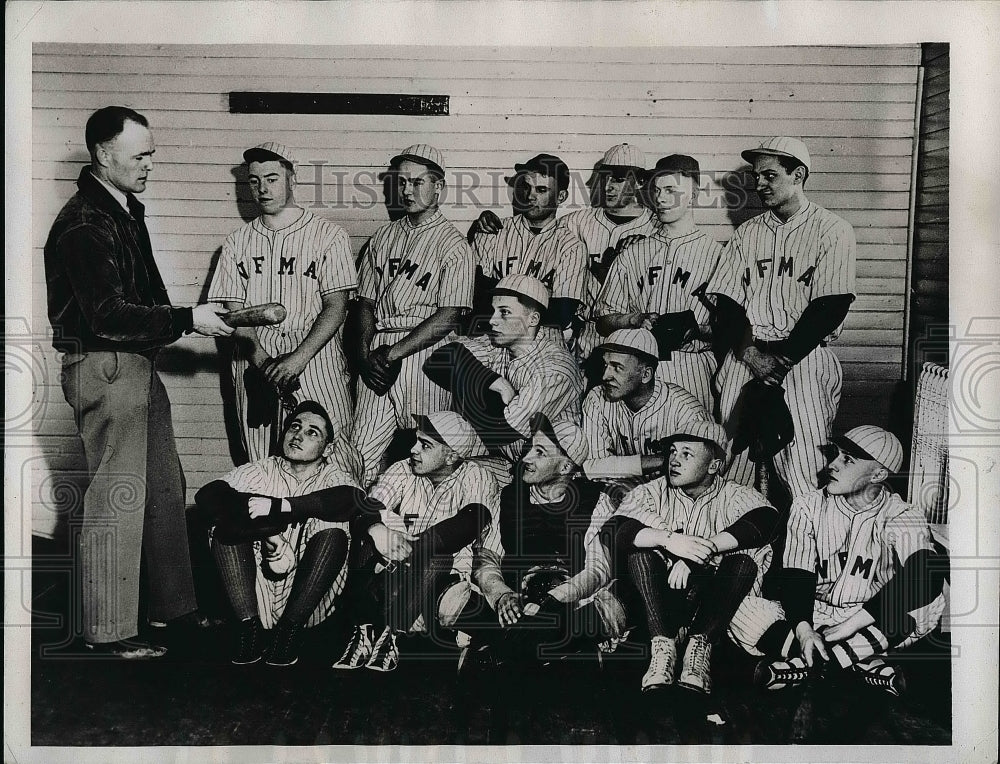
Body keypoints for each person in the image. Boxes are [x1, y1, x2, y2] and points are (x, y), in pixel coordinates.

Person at [43, 106, 234, 658]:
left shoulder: (123, 211)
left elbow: (147, 299)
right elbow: (106, 315)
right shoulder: (85, 223)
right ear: (104, 154)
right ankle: (108, 632)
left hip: (135, 365)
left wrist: (197, 316)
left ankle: (173, 610)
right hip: (105, 364)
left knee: (164, 487)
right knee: (118, 496)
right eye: (140, 155)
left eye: (151, 154)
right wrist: (188, 318)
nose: (150, 164)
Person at [745, 426, 948, 697]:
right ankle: (854, 662)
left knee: (928, 605)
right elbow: (796, 577)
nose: (833, 464)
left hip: (872, 617)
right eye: (836, 455)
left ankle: (804, 665)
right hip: (814, 613)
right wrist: (804, 631)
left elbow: (926, 572)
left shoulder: (901, 513)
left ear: (878, 475)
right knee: (743, 607)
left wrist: (849, 626)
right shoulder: (807, 506)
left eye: (848, 459)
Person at [707, 137, 857, 498]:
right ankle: (739, 533)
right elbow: (726, 303)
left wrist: (781, 362)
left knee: (806, 462)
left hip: (803, 359)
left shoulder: (832, 229)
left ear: (798, 175)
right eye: (757, 176)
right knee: (730, 460)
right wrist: (751, 355)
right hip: (748, 355)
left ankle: (807, 535)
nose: (760, 184)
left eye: (770, 176)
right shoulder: (747, 233)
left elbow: (831, 305)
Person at [208, 141, 358, 461]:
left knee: (333, 457)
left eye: (272, 178)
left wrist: (296, 361)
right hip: (255, 358)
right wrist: (265, 363)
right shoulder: (236, 243)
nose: (262, 189)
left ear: (293, 178)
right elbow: (236, 316)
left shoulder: (329, 235)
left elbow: (336, 307)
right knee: (262, 459)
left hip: (315, 357)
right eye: (254, 181)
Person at [193, 401, 370, 666]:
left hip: (309, 605)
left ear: (328, 449)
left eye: (312, 432)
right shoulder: (262, 469)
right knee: (222, 525)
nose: (298, 435)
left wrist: (280, 507)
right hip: (255, 596)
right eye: (294, 427)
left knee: (334, 528)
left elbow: (353, 499)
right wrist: (268, 531)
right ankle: (248, 632)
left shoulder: (335, 475)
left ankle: (289, 634)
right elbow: (208, 495)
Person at [609, 422, 779, 693]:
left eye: (687, 454)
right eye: (673, 451)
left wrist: (702, 550)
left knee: (743, 563)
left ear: (714, 466)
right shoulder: (654, 490)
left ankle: (698, 652)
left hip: (716, 611)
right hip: (661, 606)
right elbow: (615, 529)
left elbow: (767, 521)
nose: (674, 460)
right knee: (639, 554)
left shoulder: (735, 494)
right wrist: (669, 540)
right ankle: (663, 648)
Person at [350, 143, 476, 487]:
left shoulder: (455, 244)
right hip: (378, 352)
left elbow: (449, 316)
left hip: (427, 355)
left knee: (429, 454)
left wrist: (390, 354)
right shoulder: (382, 237)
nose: (407, 190)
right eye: (402, 182)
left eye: (417, 182)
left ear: (438, 187)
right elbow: (364, 304)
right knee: (359, 454)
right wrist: (364, 356)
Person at [333, 411, 498, 672]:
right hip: (396, 578)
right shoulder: (403, 468)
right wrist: (377, 529)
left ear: (451, 456)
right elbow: (366, 508)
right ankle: (367, 633)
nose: (413, 449)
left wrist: (409, 550)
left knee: (438, 555)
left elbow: (469, 523)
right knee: (372, 533)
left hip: (443, 586)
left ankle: (392, 633)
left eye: (425, 445)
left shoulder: (477, 475)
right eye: (416, 440)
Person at [462, 415, 626, 669]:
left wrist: (556, 598)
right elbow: (487, 560)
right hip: (515, 602)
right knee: (456, 598)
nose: (526, 458)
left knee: (608, 608)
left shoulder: (596, 500)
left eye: (540, 452)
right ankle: (551, 650)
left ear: (565, 467)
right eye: (529, 448)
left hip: (568, 603)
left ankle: (501, 651)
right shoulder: (508, 497)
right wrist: (501, 594)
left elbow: (597, 569)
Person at [423, 274, 584, 483]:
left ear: (533, 319)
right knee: (445, 473)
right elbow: (437, 361)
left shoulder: (556, 367)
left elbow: (502, 431)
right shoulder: (499, 344)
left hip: (553, 475)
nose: (492, 321)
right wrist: (496, 383)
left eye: (504, 312)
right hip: (510, 462)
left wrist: (470, 377)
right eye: (493, 311)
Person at [595, 154, 723, 411]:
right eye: (656, 190)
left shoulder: (718, 256)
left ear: (694, 195)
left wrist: (697, 329)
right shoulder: (633, 253)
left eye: (670, 191)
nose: (660, 198)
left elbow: (732, 329)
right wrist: (633, 319)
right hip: (636, 368)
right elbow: (603, 320)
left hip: (693, 367)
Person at [465, 153, 588, 342]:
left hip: (542, 343)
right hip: (489, 338)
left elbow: (561, 315)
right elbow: (475, 299)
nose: (530, 196)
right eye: (526, 186)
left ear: (561, 196)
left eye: (541, 190)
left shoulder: (571, 247)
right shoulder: (492, 230)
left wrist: (498, 289)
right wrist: (541, 295)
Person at [581, 328, 713, 498]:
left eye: (617, 367)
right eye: (605, 365)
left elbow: (701, 479)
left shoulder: (686, 412)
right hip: (623, 495)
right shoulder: (597, 398)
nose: (605, 376)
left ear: (646, 374)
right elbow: (592, 468)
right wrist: (661, 460)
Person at [560, 143, 658, 367]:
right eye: (604, 177)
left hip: (634, 338)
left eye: (618, 179)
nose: (607, 186)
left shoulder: (656, 227)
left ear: (640, 181)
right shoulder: (576, 222)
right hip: (585, 336)